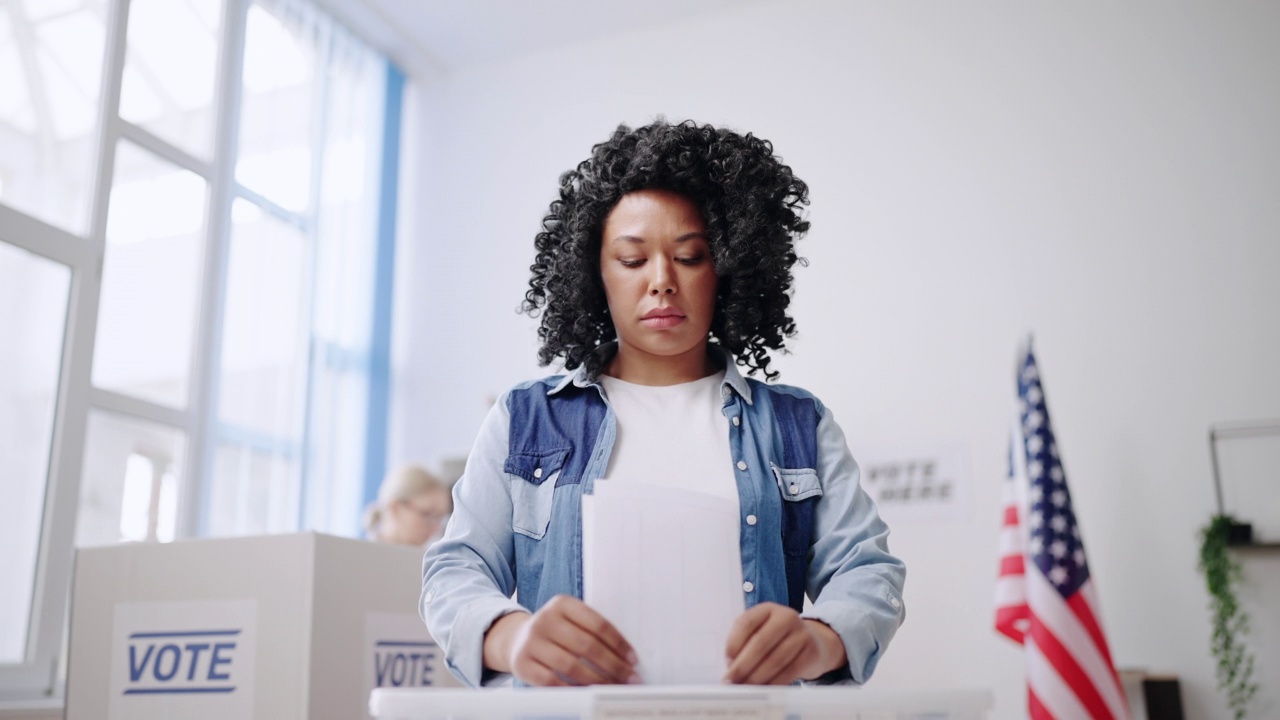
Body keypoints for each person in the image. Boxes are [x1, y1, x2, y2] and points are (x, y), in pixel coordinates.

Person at [421, 119, 905, 688]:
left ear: (727, 269)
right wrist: (511, 636)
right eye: (631, 260)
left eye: (691, 257)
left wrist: (818, 640)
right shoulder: (526, 418)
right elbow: (455, 568)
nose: (661, 282)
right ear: (595, 273)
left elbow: (867, 571)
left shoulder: (799, 424)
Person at [365, 464, 452, 547]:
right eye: (427, 514)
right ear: (395, 508)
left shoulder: (427, 559)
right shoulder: (359, 557)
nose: (437, 528)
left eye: (440, 518)